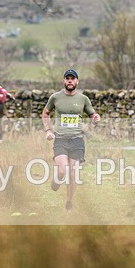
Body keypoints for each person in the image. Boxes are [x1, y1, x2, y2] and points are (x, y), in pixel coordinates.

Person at [42, 68, 101, 211]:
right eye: (67, 78)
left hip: (77, 140)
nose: (70, 81)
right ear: (64, 81)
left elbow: (92, 114)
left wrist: (96, 118)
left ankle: (69, 201)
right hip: (61, 139)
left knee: (73, 174)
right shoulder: (55, 97)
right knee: (63, 170)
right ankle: (57, 180)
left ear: (77, 81)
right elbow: (45, 113)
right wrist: (48, 131)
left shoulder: (83, 99)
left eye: (72, 78)